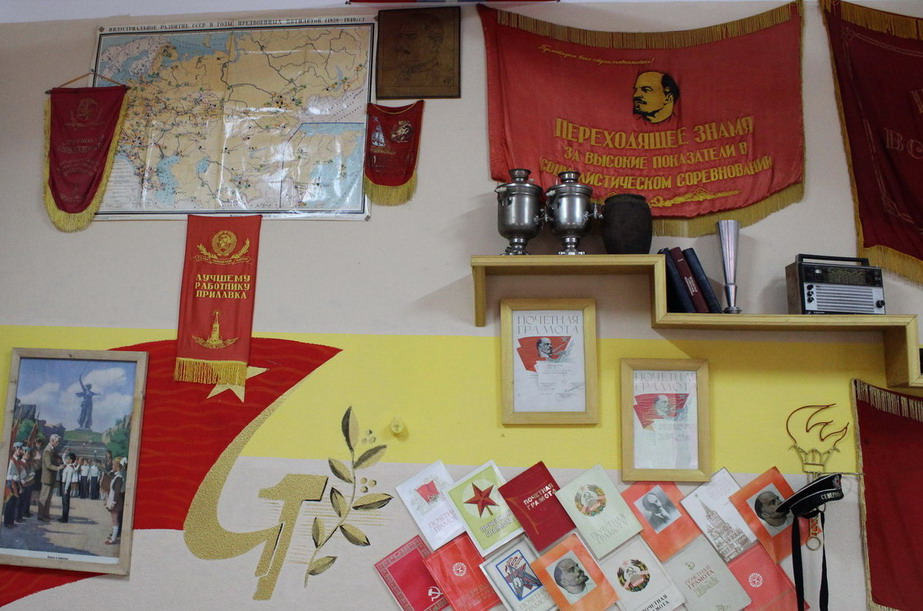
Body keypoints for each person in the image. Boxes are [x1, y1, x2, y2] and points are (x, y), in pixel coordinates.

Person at [380, 11, 454, 90]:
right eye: (400, 36)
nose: (401, 43)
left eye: (411, 37)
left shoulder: (448, 78)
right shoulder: (387, 77)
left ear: (435, 44)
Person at [37, 434, 63, 522]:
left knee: (48, 499)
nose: (58, 443)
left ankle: (46, 514)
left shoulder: (52, 449)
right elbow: (48, 465)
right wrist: (58, 468)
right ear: (52, 441)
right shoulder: (47, 450)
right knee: (44, 498)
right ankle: (40, 516)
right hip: (47, 478)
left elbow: (56, 458)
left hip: (51, 477)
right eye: (57, 442)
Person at [4, 442, 24, 528]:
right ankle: (7, 522)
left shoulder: (17, 460)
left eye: (21, 449)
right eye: (19, 449)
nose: (20, 450)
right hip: (11, 484)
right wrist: (14, 487)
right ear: (15, 449)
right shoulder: (12, 461)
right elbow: (9, 476)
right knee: (9, 504)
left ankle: (11, 521)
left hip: (16, 483)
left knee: (14, 503)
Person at [105, 456, 126, 544]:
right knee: (114, 520)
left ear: (118, 466)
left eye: (113, 465)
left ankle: (113, 539)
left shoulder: (119, 478)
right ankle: (114, 536)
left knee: (115, 520)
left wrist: (113, 502)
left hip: (116, 501)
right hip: (114, 500)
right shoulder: (116, 476)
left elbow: (117, 492)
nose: (112, 466)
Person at [59, 453, 77, 523]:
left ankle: (65, 518)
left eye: (67, 458)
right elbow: (63, 457)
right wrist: (66, 452)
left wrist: (66, 489)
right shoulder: (67, 465)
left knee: (66, 502)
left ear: (71, 460)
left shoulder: (70, 468)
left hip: (66, 485)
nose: (66, 459)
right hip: (63, 484)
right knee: (64, 502)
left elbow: (68, 480)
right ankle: (63, 517)